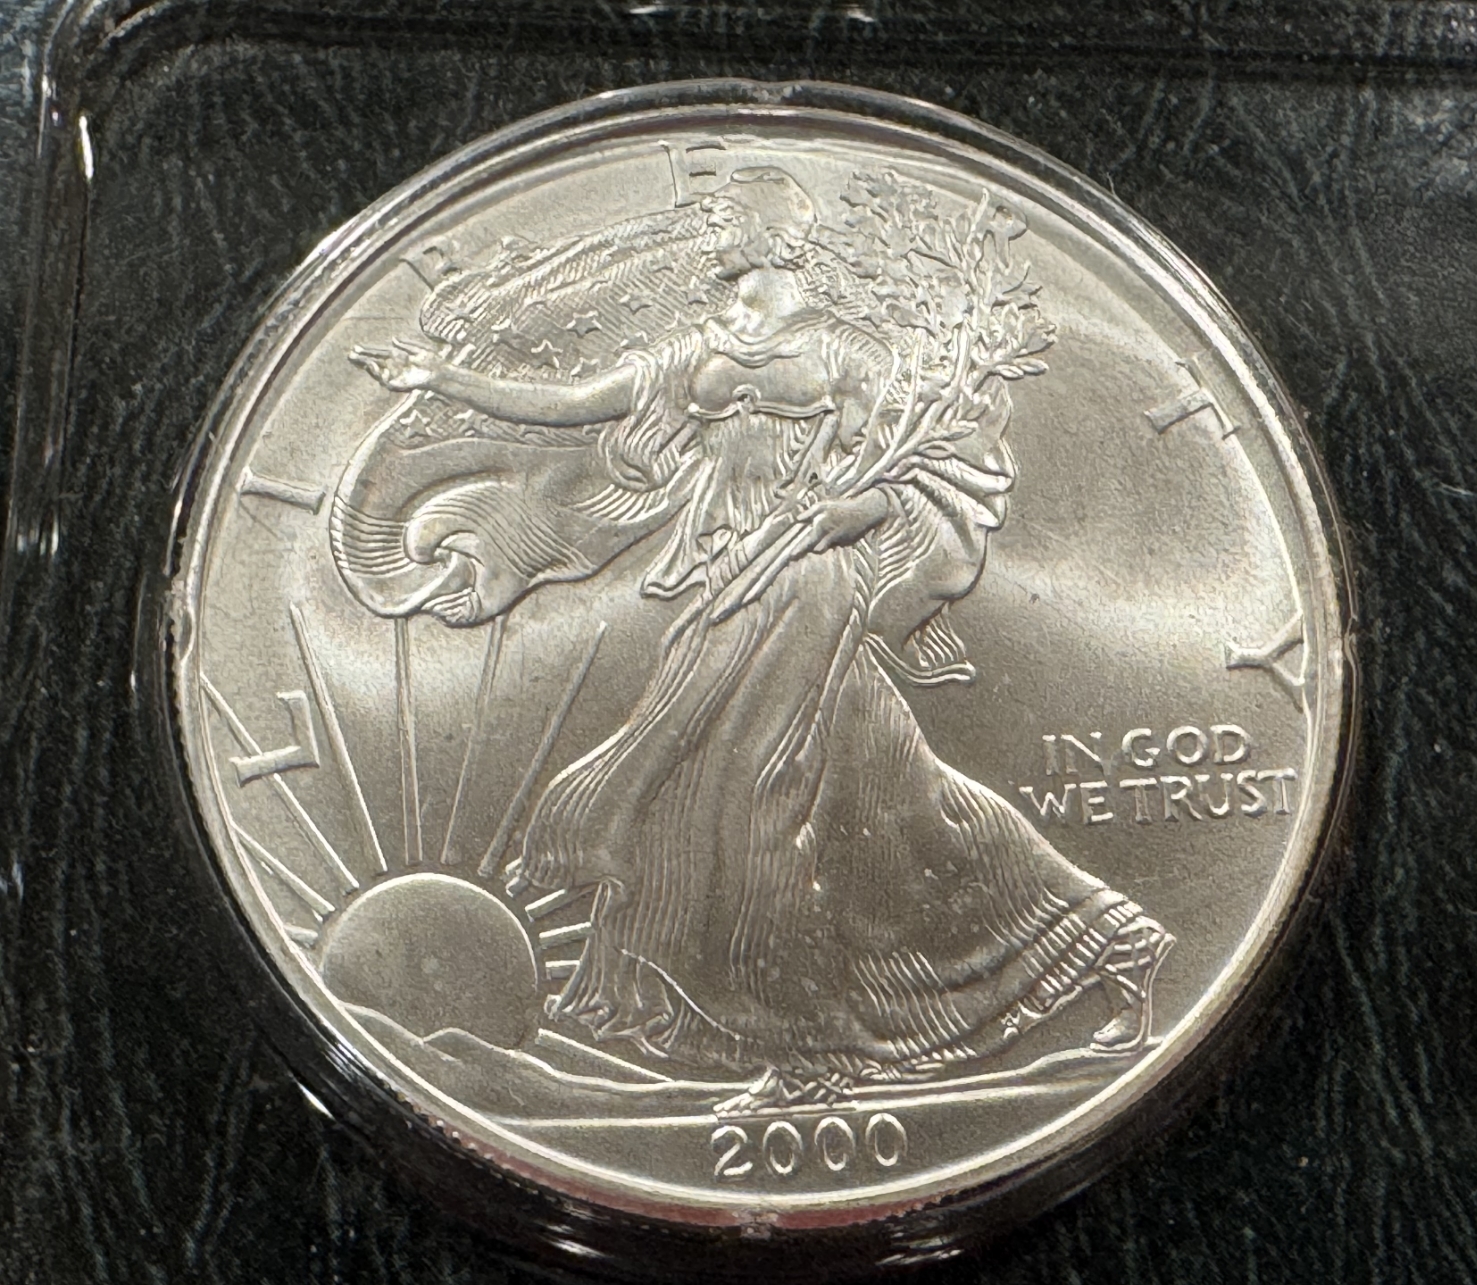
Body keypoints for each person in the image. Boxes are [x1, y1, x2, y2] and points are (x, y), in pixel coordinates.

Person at [349, 167, 1171, 1107]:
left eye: (727, 220)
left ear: (776, 237)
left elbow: (914, 474)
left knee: (750, 801)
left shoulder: (845, 354)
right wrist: (443, 379)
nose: (712, 232)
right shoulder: (693, 352)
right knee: (902, 804)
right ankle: (1113, 940)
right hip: (726, 583)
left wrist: (851, 512)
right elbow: (577, 404)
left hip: (807, 583)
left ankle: (810, 1052)